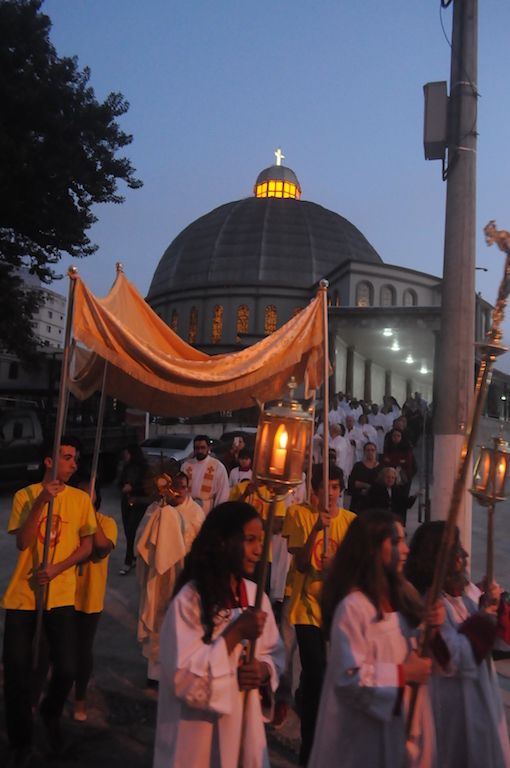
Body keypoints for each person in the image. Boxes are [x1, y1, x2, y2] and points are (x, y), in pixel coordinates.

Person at [153, 501, 285, 768]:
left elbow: (274, 655)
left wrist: (262, 671)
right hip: (195, 734)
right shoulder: (190, 601)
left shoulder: (256, 597)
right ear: (223, 542)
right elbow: (185, 678)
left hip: (243, 726)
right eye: (250, 540)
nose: (258, 550)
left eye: (260, 541)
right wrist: (236, 633)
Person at [308, 509, 436, 768]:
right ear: (373, 549)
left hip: (395, 729)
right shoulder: (354, 608)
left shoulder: (402, 600)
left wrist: (433, 628)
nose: (405, 551)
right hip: (360, 740)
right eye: (396, 542)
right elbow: (348, 677)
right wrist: (403, 674)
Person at [1, 437, 97, 764]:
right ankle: (20, 740)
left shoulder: (80, 499)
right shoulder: (25, 495)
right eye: (67, 457)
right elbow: (23, 542)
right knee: (16, 673)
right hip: (23, 597)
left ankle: (51, 712)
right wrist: (42, 500)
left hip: (60, 596)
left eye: (75, 458)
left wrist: (57, 567)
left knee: (67, 667)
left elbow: (87, 546)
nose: (73, 464)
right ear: (48, 461)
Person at [405, 521, 510, 768]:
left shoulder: (469, 592)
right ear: (438, 558)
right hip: (451, 714)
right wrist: (484, 618)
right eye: (457, 550)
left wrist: (496, 609)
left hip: (483, 706)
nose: (465, 554)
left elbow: (498, 645)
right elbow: (455, 658)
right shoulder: (428, 606)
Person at [282, 464, 355, 766]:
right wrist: (316, 528)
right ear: (315, 490)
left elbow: (356, 570)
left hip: (336, 610)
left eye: (336, 487)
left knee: (329, 679)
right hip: (306, 609)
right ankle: (309, 750)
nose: (331, 493)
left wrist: (336, 567)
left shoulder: (351, 522)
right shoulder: (298, 514)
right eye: (326, 487)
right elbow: (300, 563)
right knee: (316, 675)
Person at [135, 471, 205, 683]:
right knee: (157, 621)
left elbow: (197, 541)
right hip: (158, 578)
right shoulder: (155, 509)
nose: (179, 492)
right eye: (175, 487)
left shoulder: (195, 511)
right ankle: (154, 674)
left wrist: (173, 520)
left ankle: (176, 671)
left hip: (183, 577)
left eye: (183, 487)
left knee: (181, 625)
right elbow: (141, 538)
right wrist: (162, 518)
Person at [72, 472, 117, 722]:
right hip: (63, 595)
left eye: (88, 493)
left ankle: (79, 698)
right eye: (79, 493)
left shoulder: (106, 522)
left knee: (82, 651)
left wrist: (89, 512)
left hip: (89, 597)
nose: (84, 497)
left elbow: (101, 548)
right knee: (56, 650)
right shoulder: (67, 521)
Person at [119, 442, 149, 575]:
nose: (126, 455)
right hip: (126, 501)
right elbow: (120, 481)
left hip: (139, 502)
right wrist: (124, 488)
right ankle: (133, 556)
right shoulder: (127, 467)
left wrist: (133, 489)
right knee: (127, 531)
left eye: (128, 453)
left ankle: (128, 560)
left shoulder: (145, 468)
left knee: (132, 530)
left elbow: (147, 487)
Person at [181, 434, 229, 515]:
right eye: (197, 448)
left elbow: (222, 492)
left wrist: (218, 512)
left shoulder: (218, 467)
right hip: (188, 507)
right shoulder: (186, 466)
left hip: (207, 509)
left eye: (203, 448)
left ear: (209, 448)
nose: (200, 451)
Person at [347, 440, 380, 513]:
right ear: (364, 452)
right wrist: (366, 485)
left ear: (375, 452)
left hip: (375, 502)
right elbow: (352, 482)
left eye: (372, 450)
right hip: (359, 501)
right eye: (368, 450)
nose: (370, 452)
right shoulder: (358, 466)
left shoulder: (381, 467)